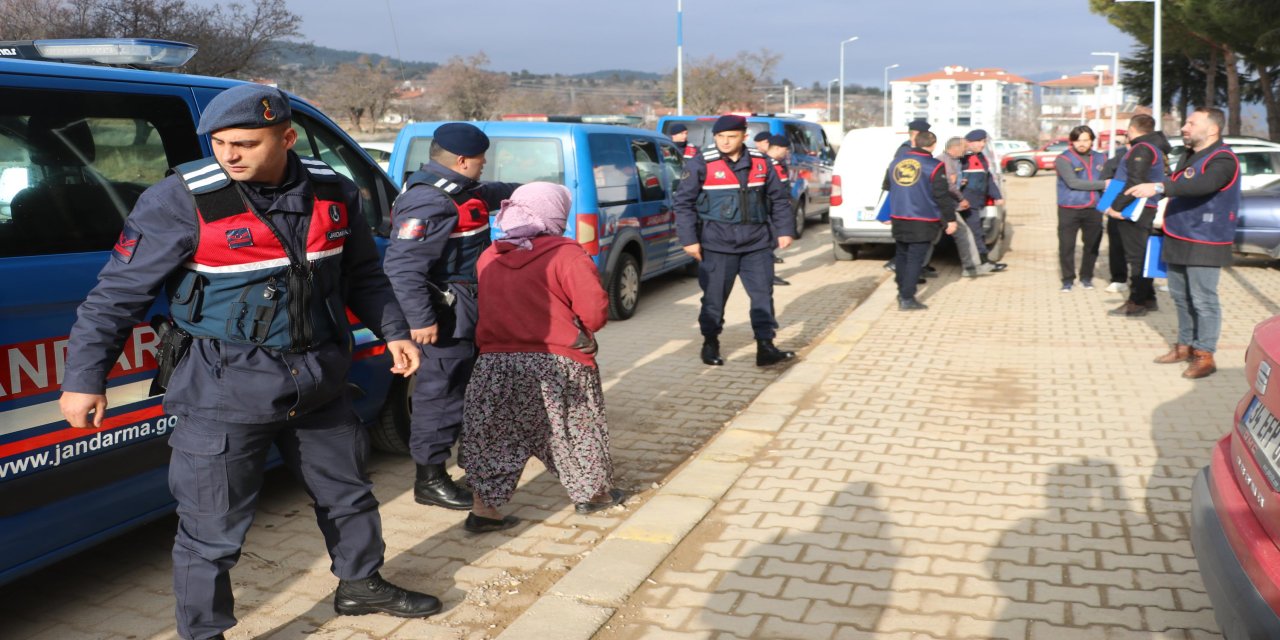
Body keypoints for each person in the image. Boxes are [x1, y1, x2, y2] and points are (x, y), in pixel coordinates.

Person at [57, 84, 440, 640]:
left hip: (319, 379)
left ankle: (361, 584)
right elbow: (115, 298)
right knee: (211, 531)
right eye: (218, 142)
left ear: (287, 137)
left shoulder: (332, 191)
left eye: (244, 143)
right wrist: (84, 378)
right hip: (223, 387)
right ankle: (204, 632)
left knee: (349, 494)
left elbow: (363, 274)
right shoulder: (179, 200)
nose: (228, 155)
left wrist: (394, 329)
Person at [459, 182, 625, 532]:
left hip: (496, 363)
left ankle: (484, 512)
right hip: (558, 362)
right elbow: (594, 314)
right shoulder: (567, 254)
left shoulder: (490, 254)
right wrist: (585, 333)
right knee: (574, 429)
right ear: (555, 213)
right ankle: (592, 495)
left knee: (492, 436)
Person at [383, 123, 520, 511]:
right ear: (461, 161)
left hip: (464, 308)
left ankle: (455, 465)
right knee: (438, 397)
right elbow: (403, 268)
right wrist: (421, 320)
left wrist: (531, 190)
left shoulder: (456, 189)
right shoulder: (430, 201)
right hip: (443, 316)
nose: (484, 166)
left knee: (456, 393)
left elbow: (487, 193)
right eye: (480, 161)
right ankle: (429, 480)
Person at [1126, 107, 1241, 378]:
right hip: (1178, 234)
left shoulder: (1223, 159)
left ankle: (1205, 354)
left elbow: (1202, 185)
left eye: (1191, 123)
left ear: (1212, 129)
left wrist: (1159, 187)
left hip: (1206, 239)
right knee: (1180, 297)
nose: (1184, 127)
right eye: (1186, 122)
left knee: (1203, 299)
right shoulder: (1190, 155)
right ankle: (1185, 345)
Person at [673, 114, 796, 367]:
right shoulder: (701, 164)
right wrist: (689, 240)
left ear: (744, 136)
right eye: (720, 137)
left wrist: (785, 230)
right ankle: (710, 343)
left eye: (731, 137)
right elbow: (683, 204)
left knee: (763, 297)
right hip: (717, 245)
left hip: (757, 244)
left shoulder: (762, 163)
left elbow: (780, 199)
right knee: (714, 299)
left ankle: (765, 346)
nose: (725, 142)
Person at [1103, 114, 1171, 317]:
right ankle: (1148, 298)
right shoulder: (1149, 147)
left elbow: (1135, 180)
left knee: (1137, 258)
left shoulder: (1142, 149)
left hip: (1135, 208)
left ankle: (1137, 302)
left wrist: (1116, 207)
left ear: (1131, 128)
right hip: (1139, 207)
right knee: (1140, 254)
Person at [885, 130, 959, 310]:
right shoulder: (934, 166)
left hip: (899, 216)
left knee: (902, 255)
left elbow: (887, 187)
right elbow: (941, 196)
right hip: (922, 218)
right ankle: (907, 298)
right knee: (915, 259)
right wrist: (950, 219)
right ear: (933, 145)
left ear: (915, 142)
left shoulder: (896, 162)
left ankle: (901, 290)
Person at [1054, 125, 1107, 292]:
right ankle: (1068, 280)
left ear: (1092, 141)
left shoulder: (1101, 158)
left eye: (1085, 140)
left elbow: (1111, 180)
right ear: (1072, 142)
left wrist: (1107, 204)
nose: (1082, 144)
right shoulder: (1063, 159)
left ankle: (1086, 277)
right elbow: (1073, 183)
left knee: (1092, 245)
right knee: (1066, 246)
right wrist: (1103, 184)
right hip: (1069, 208)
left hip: (1093, 209)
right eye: (1078, 140)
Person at [885, 118, 937, 276]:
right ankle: (907, 273)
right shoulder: (905, 151)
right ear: (916, 133)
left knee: (913, 245)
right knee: (908, 246)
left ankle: (917, 268)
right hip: (908, 204)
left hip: (910, 202)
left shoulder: (911, 149)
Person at [936, 136, 994, 277]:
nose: (966, 150)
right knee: (963, 234)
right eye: (963, 147)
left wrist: (960, 182)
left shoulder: (950, 160)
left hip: (941, 204)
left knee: (931, 238)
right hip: (944, 205)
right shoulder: (946, 162)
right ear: (954, 148)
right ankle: (971, 268)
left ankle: (917, 268)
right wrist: (961, 199)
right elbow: (948, 185)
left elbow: (951, 183)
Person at [959, 129, 1008, 271]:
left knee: (976, 233)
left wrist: (997, 196)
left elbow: (988, 180)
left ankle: (981, 262)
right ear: (969, 142)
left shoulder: (981, 158)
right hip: (964, 203)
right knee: (975, 233)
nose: (982, 144)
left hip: (975, 203)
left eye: (984, 141)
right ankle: (981, 263)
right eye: (980, 141)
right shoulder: (962, 158)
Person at [1100, 132, 1131, 293]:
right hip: (1117, 210)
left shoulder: (1154, 159)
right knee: (1117, 246)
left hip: (1145, 211)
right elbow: (1106, 183)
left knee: (1144, 248)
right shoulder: (1116, 161)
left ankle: (1146, 283)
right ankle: (1119, 279)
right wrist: (1107, 207)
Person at [765, 133, 794, 286]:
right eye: (785, 149)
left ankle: (768, 275)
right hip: (769, 211)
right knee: (768, 243)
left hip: (777, 210)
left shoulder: (777, 164)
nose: (786, 153)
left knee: (771, 244)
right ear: (776, 148)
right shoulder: (767, 164)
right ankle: (768, 277)